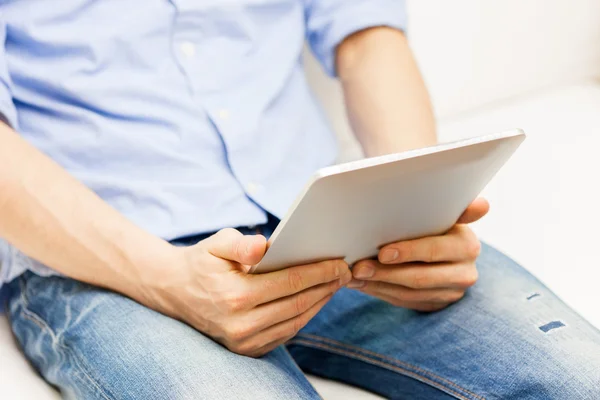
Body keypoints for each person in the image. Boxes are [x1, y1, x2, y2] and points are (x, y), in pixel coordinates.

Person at [0, 1, 598, 399]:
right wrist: (169, 281)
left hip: (327, 220)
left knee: (581, 379)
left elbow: (365, 35)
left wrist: (414, 215)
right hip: (111, 259)